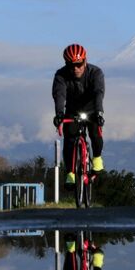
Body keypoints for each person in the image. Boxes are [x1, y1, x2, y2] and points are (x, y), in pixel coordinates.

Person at [52, 44, 105, 189]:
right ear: (66, 64)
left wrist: (99, 112)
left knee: (95, 133)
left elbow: (98, 93)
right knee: (69, 140)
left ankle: (97, 159)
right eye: (71, 65)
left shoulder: (95, 73)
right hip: (72, 111)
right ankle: (70, 173)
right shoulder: (61, 75)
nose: (75, 68)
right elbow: (59, 95)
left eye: (79, 64)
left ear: (85, 61)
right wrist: (59, 115)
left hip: (92, 109)